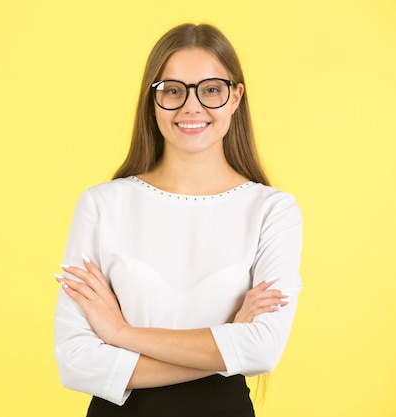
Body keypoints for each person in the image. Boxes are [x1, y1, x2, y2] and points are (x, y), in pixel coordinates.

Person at [53, 23, 302, 417]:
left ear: (235, 97)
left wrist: (121, 334)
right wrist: (226, 345)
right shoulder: (102, 205)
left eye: (211, 89)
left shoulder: (272, 210)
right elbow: (77, 361)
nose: (191, 106)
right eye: (173, 90)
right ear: (152, 100)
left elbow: (262, 350)